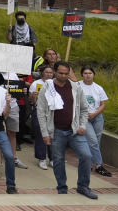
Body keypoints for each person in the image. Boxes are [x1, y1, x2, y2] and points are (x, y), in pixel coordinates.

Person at [37, 61, 96, 199]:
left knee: (86, 156)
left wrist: (82, 125)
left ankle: (83, 186)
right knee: (58, 160)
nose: (63, 76)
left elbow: (84, 109)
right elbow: (41, 113)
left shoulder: (76, 87)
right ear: (55, 72)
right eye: (60, 73)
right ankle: (62, 188)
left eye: (66, 73)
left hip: (75, 130)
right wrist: (45, 133)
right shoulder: (47, 87)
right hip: (56, 131)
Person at [78, 66, 112, 177]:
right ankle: (99, 165)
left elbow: (103, 104)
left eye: (90, 73)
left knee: (96, 141)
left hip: (97, 117)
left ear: (94, 74)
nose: (88, 75)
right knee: (92, 141)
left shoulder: (98, 88)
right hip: (84, 117)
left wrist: (95, 114)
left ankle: (90, 163)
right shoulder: (78, 85)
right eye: (85, 73)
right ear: (82, 74)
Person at [29, 65, 54, 169]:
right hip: (39, 111)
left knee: (53, 134)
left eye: (51, 72)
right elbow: (32, 101)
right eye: (47, 72)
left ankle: (53, 158)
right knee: (40, 134)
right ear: (42, 73)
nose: (49, 74)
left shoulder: (55, 83)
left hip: (52, 111)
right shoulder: (36, 83)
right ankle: (42, 158)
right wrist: (34, 97)